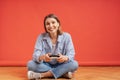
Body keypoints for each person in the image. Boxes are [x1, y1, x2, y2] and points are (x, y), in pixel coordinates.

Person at [27, 14, 78, 80]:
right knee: (30, 64)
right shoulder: (41, 37)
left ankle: (42, 75)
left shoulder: (67, 36)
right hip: (46, 64)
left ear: (58, 24)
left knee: (74, 64)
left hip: (61, 64)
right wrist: (42, 57)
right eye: (47, 24)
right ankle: (63, 73)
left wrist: (65, 58)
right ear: (45, 26)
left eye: (53, 22)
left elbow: (71, 53)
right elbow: (35, 55)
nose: (51, 26)